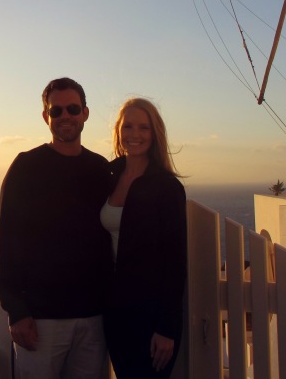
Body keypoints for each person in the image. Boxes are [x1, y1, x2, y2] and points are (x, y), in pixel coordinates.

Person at [0, 77, 113, 379]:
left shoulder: (101, 169)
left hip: (93, 318)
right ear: (46, 117)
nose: (65, 117)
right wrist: (17, 311)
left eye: (72, 109)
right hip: (41, 320)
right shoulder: (26, 167)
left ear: (85, 113)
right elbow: (5, 241)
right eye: (56, 111)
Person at [100, 98, 187, 378]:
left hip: (150, 318)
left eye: (143, 128)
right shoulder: (108, 176)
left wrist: (166, 328)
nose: (134, 135)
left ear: (155, 134)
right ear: (118, 130)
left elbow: (175, 261)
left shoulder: (167, 187)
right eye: (128, 126)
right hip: (114, 312)